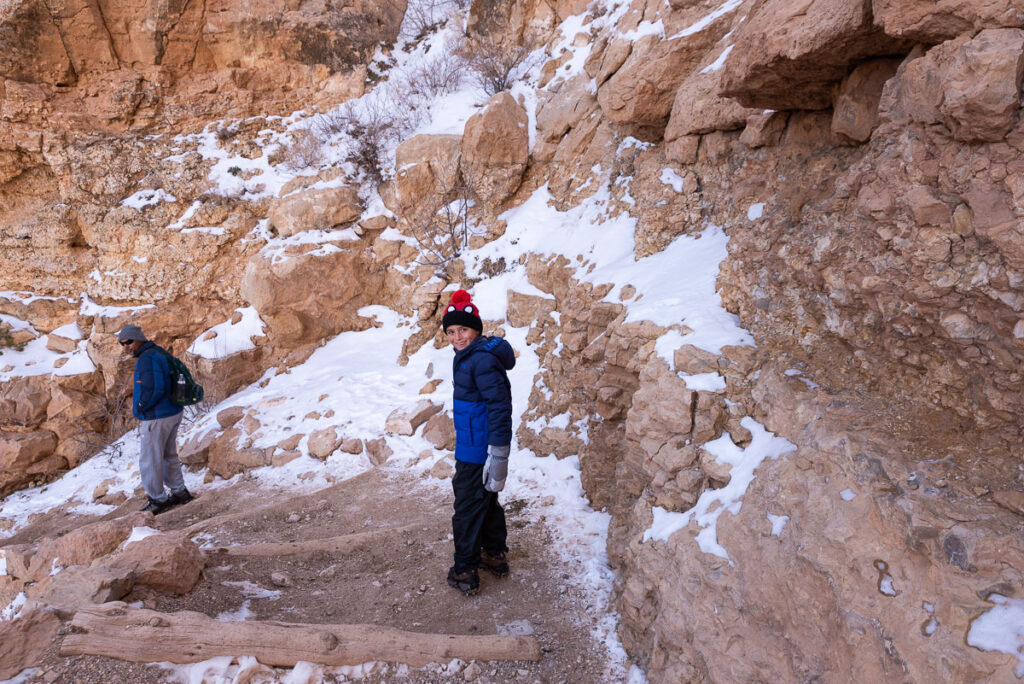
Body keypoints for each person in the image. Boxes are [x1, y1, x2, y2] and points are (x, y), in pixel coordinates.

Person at [441, 289, 516, 596]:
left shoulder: (480, 361)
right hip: (476, 443)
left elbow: (500, 407)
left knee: (468, 506)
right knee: (486, 500)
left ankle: (465, 569)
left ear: (476, 329)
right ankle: (494, 554)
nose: (457, 337)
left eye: (463, 330)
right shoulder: (471, 356)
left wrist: (498, 454)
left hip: (478, 448)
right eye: (451, 331)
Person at [117, 324, 193, 515]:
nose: (126, 346)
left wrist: (140, 408)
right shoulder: (158, 352)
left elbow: (154, 389)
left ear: (139, 339)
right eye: (122, 343)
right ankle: (179, 492)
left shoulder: (146, 359)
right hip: (173, 411)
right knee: (168, 455)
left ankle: (158, 499)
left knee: (150, 459)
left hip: (157, 416)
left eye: (128, 342)